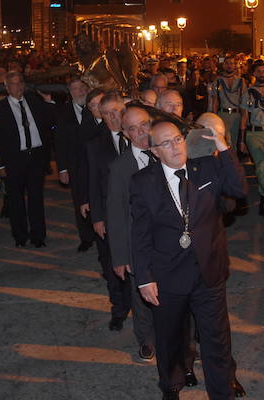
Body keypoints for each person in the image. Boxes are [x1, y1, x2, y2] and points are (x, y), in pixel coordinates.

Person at [132, 120, 246, 400]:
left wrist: (223, 146)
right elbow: (141, 233)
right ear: (154, 150)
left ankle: (222, 392)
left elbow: (239, 189)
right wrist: (145, 277)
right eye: (166, 143)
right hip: (167, 275)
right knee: (170, 337)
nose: (175, 147)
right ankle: (171, 385)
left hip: (209, 271)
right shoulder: (143, 182)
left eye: (178, 139)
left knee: (216, 338)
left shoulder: (205, 166)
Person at [105, 105, 156, 361]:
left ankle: (182, 338)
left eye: (144, 124)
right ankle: (146, 339)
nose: (140, 132)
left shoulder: (166, 153)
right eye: (132, 129)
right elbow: (114, 214)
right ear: (125, 134)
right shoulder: (120, 167)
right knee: (141, 297)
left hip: (167, 242)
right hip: (137, 245)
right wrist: (119, 257)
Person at [85, 93, 133, 331]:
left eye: (117, 111)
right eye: (108, 113)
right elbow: (93, 182)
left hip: (137, 213)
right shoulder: (95, 145)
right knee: (112, 265)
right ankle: (119, 308)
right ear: (101, 117)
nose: (114, 117)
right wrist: (98, 217)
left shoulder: (138, 136)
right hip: (109, 214)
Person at [0, 72, 55, 247]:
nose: (18, 87)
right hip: (15, 158)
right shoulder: (1, 108)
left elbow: (49, 121)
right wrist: (1, 163)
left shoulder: (34, 101)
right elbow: (0, 138)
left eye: (20, 83)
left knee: (36, 197)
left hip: (35, 155)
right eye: (13, 84)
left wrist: (49, 102)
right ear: (7, 87)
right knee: (16, 199)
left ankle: (38, 235)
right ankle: (20, 235)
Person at [54, 78, 97, 252]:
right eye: (75, 89)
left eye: (82, 88)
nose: (80, 92)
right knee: (80, 201)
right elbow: (60, 142)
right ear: (70, 92)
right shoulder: (63, 113)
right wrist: (62, 168)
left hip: (95, 165)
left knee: (97, 199)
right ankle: (85, 237)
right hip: (75, 165)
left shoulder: (95, 110)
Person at [239, 62, 264, 219]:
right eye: (259, 71)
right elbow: (244, 118)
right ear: (254, 74)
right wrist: (241, 141)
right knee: (261, 164)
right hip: (253, 134)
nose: (262, 73)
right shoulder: (248, 93)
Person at [211, 57, 246, 147]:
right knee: (224, 142)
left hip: (236, 115)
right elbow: (215, 100)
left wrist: (244, 117)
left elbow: (243, 101)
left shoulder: (241, 81)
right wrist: (214, 117)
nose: (229, 65)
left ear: (235, 65)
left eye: (231, 63)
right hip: (223, 114)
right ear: (223, 65)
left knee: (234, 143)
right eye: (227, 63)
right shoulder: (218, 81)